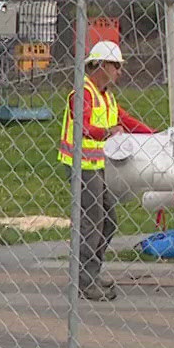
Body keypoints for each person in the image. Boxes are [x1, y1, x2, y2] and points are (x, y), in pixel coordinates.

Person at [59, 40, 154, 301]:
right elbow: (84, 126)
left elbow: (123, 119)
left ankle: (91, 271)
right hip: (82, 165)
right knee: (93, 221)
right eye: (115, 66)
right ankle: (85, 280)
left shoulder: (106, 95)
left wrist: (154, 135)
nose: (119, 72)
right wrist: (108, 133)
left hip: (97, 165)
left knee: (108, 221)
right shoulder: (83, 93)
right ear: (100, 65)